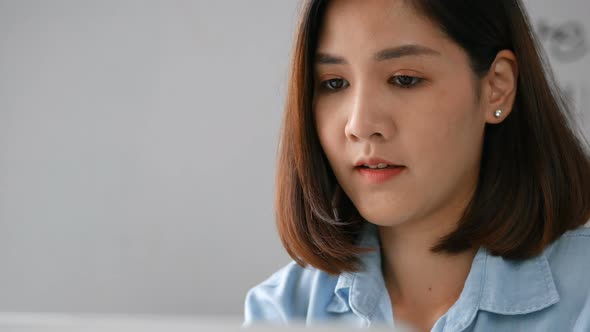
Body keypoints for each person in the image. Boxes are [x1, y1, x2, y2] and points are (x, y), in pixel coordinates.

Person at [243, 0, 590, 331]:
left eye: (404, 79)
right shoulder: (280, 313)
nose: (360, 124)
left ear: (496, 87)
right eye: (334, 83)